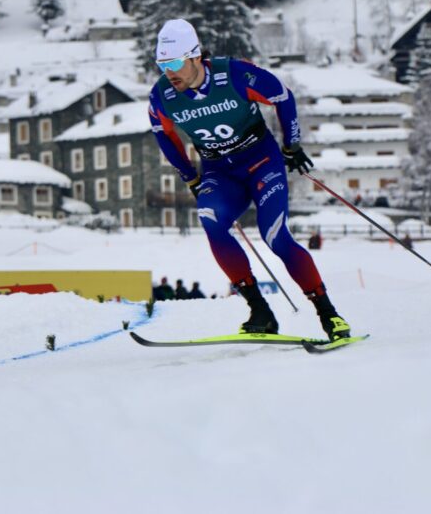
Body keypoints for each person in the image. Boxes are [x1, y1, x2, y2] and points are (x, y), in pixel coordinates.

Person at [147, 19, 351, 340]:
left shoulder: (236, 75)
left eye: (174, 63)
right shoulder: (162, 96)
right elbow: (163, 135)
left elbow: (283, 96)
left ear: (195, 56)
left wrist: (291, 144)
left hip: (261, 161)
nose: (168, 72)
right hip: (218, 171)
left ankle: (329, 314)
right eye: (161, 64)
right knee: (210, 220)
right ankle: (260, 310)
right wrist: (189, 176)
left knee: (275, 237)